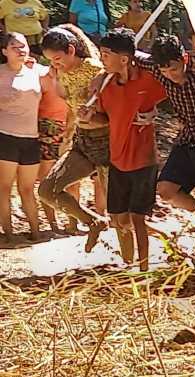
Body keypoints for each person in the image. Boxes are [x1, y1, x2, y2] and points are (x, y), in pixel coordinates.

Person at [135, 35, 195, 252]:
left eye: (174, 69)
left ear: (184, 58)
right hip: (187, 139)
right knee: (165, 190)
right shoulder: (156, 68)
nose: (171, 76)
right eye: (165, 72)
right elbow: (130, 53)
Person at [82, 28, 166, 271]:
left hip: (143, 160)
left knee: (137, 219)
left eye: (106, 55)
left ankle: (143, 269)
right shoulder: (104, 85)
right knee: (119, 219)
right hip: (117, 159)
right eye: (101, 54)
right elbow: (104, 118)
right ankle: (148, 247)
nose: (102, 60)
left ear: (124, 58)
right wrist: (89, 117)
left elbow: (173, 90)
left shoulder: (148, 81)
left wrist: (155, 113)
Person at [39, 24, 110, 252]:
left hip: (107, 143)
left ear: (71, 50)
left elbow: (111, 113)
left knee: (122, 213)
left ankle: (138, 260)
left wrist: (93, 112)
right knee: (47, 190)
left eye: (58, 58)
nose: (55, 64)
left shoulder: (95, 70)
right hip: (82, 141)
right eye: (51, 60)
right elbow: (65, 99)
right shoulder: (60, 71)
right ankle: (93, 222)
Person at [0, 32, 46, 245]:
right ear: (4, 51)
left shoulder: (36, 70)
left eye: (23, 46)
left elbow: (61, 71)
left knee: (28, 189)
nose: (20, 50)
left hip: (31, 138)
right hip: (6, 137)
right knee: (4, 187)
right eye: (14, 47)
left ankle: (36, 232)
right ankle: (8, 235)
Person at [37, 62, 68, 234]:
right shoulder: (41, 76)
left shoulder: (76, 74)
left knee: (72, 181)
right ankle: (52, 224)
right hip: (46, 128)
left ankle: (73, 223)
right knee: (45, 178)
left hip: (70, 128)